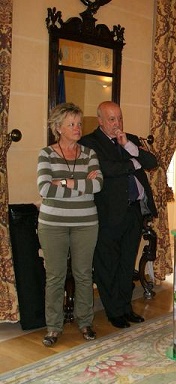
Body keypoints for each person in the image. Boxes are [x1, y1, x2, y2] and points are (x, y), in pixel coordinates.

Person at [79, 101, 158, 329]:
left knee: (126, 263)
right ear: (100, 121)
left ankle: (125, 307)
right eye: (112, 119)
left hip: (133, 211)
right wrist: (133, 163)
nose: (117, 124)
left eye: (120, 118)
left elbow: (151, 162)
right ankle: (113, 311)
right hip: (108, 214)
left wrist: (129, 148)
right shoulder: (89, 143)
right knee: (107, 264)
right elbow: (107, 169)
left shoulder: (129, 138)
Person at [37, 102, 103, 346]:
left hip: (86, 223)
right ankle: (53, 327)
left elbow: (97, 186)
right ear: (59, 128)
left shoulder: (90, 154)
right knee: (55, 276)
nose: (77, 128)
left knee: (84, 274)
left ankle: (85, 322)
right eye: (71, 124)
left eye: (78, 123)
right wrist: (78, 183)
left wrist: (62, 183)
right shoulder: (46, 153)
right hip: (52, 224)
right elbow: (45, 188)